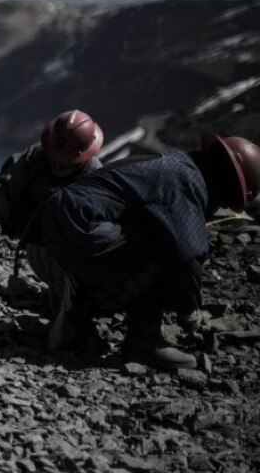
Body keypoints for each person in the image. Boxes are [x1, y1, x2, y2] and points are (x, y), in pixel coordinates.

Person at [22, 132, 260, 370]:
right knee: (167, 245)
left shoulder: (175, 165)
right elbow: (189, 252)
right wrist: (189, 307)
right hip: (79, 234)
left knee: (159, 235)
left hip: (47, 236)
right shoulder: (188, 180)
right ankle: (140, 338)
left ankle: (80, 307)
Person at [0, 109, 104, 238]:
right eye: (54, 158)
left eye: (64, 162)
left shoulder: (95, 177)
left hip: (61, 234)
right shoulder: (34, 156)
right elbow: (6, 184)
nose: (57, 165)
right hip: (21, 220)